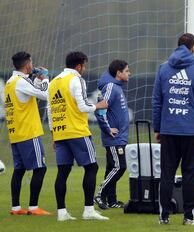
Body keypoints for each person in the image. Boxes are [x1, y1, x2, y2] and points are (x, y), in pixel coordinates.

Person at [152, 33, 194, 225]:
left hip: (169, 130)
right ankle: (189, 217)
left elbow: (157, 101)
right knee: (189, 174)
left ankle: (164, 217)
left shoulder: (163, 68)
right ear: (193, 47)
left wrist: (158, 128)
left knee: (167, 174)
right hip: (192, 131)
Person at [48, 51, 108, 221]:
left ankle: (62, 213)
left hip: (60, 132)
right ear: (79, 66)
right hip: (77, 131)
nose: (84, 69)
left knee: (63, 171)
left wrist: (54, 134)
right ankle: (88, 211)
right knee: (92, 167)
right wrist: (98, 106)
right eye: (84, 65)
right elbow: (82, 106)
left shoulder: (53, 82)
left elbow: (49, 110)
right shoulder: (76, 79)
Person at [4, 51, 51, 216]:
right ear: (28, 65)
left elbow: (28, 96)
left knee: (19, 170)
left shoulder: (11, 82)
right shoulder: (21, 82)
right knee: (40, 168)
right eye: (31, 62)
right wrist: (45, 79)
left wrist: (37, 81)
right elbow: (45, 95)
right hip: (28, 133)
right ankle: (33, 207)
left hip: (16, 133)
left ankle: (16, 208)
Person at [94, 59, 130, 209]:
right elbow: (100, 109)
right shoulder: (110, 87)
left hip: (120, 136)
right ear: (118, 73)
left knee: (111, 167)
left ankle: (112, 200)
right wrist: (108, 128)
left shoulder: (117, 87)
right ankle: (99, 195)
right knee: (119, 167)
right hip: (114, 137)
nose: (129, 73)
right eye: (127, 71)